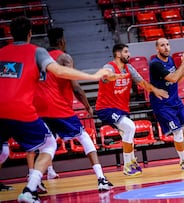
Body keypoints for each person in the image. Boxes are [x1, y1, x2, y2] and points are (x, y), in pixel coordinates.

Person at [0, 16, 116, 203]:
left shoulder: (2, 52)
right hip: (53, 109)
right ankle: (101, 179)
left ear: (10, 34)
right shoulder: (42, 54)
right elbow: (67, 78)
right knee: (62, 141)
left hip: (31, 109)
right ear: (30, 33)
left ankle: (36, 180)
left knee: (13, 149)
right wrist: (93, 77)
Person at [28, 27, 113, 193]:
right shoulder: (64, 57)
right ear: (62, 41)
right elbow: (75, 86)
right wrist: (87, 105)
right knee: (84, 136)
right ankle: (101, 178)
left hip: (39, 108)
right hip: (58, 107)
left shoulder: (40, 58)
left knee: (43, 144)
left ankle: (35, 180)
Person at [95, 43, 169, 176]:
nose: (128, 54)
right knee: (130, 127)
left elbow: (142, 82)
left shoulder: (129, 68)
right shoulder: (109, 66)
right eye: (125, 52)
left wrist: (155, 90)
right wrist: (114, 76)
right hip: (106, 108)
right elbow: (106, 75)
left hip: (121, 109)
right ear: (118, 54)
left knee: (127, 134)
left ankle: (131, 161)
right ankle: (127, 166)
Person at [149, 38, 184, 172]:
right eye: (162, 45)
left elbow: (179, 78)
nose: (166, 47)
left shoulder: (170, 60)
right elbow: (172, 78)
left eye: (167, 44)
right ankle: (183, 161)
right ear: (157, 49)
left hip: (175, 101)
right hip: (162, 105)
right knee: (177, 132)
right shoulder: (155, 64)